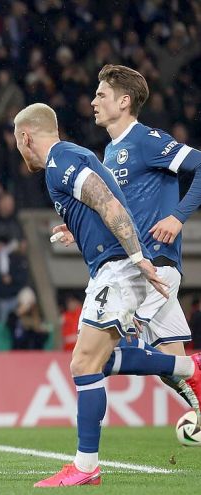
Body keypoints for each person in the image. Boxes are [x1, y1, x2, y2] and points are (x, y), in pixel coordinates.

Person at [13, 103, 201, 487]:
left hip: (119, 269)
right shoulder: (77, 155)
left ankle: (86, 466)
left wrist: (138, 258)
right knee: (92, 361)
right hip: (114, 268)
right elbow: (106, 203)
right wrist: (77, 229)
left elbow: (108, 202)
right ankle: (189, 368)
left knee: (84, 363)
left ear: (25, 137)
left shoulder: (60, 160)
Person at [54, 64, 201, 407]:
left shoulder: (145, 140)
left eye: (100, 94)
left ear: (123, 102)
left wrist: (178, 218)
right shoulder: (110, 153)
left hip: (152, 266)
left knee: (99, 355)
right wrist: (77, 229)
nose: (93, 101)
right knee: (172, 364)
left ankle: (86, 460)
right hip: (141, 266)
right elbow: (123, 212)